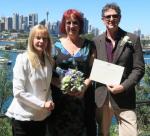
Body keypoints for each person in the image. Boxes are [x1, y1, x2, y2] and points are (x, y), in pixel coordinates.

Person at [93, 3, 145, 136]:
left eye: (115, 16)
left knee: (130, 133)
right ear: (103, 19)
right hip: (102, 97)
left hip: (125, 96)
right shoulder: (96, 41)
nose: (111, 19)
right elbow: (91, 67)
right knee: (103, 133)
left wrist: (123, 87)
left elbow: (139, 69)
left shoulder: (133, 39)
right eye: (108, 16)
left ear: (120, 18)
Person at [48, 9, 97, 136]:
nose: (71, 26)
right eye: (68, 22)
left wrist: (85, 86)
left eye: (75, 23)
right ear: (64, 25)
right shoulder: (55, 46)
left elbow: (94, 71)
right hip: (60, 103)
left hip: (83, 101)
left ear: (80, 25)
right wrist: (63, 87)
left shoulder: (89, 45)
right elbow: (48, 74)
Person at [5, 24, 55, 136]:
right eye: (38, 38)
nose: (41, 41)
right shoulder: (22, 59)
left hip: (42, 118)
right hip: (23, 119)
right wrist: (42, 104)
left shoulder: (49, 61)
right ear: (32, 39)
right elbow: (18, 92)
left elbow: (48, 88)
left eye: (44, 38)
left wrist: (50, 101)